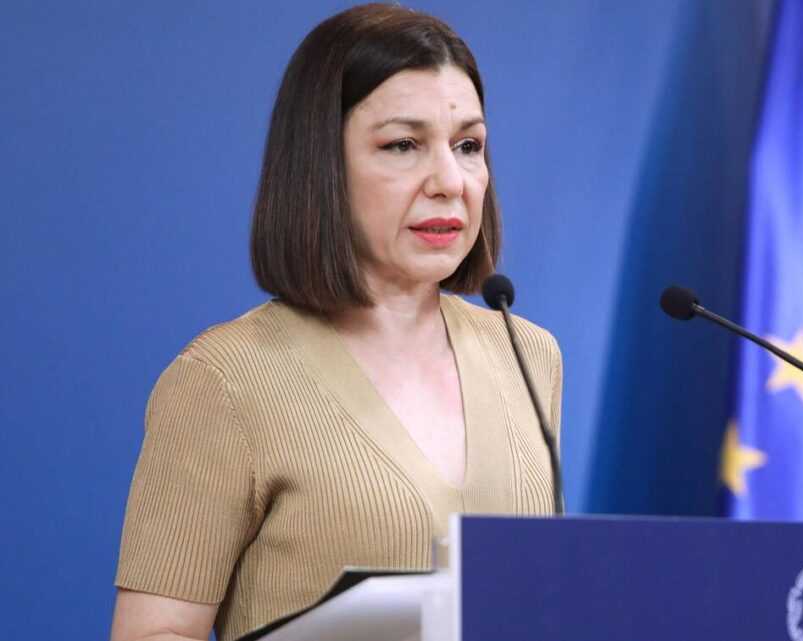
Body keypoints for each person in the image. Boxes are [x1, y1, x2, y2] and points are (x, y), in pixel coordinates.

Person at [109, 5, 562, 640]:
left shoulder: (528, 354)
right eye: (403, 145)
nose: (449, 181)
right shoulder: (224, 381)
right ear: (321, 165)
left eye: (468, 146)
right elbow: (154, 632)